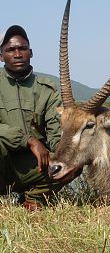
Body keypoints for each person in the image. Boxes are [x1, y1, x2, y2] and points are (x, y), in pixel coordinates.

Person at [0, 25, 66, 210]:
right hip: (4, 162)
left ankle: (32, 198)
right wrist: (28, 140)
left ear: (31, 52)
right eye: (11, 49)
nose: (18, 54)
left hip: (35, 165)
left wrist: (65, 150)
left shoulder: (47, 89)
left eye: (22, 48)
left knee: (72, 162)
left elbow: (56, 134)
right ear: (1, 56)